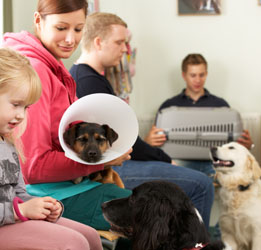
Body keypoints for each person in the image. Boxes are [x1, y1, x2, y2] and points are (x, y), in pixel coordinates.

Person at [70, 12, 214, 230]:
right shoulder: (89, 83)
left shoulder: (90, 78)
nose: (125, 49)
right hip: (114, 166)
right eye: (120, 42)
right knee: (202, 184)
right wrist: (165, 159)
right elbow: (127, 144)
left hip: (119, 160)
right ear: (98, 42)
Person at [3, 0, 132, 231]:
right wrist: (101, 161)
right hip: (40, 195)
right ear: (37, 21)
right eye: (61, 28)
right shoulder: (37, 71)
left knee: (153, 207)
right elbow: (32, 168)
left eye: (78, 29)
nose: (71, 39)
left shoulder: (54, 68)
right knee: (155, 215)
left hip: (62, 186)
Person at [0, 47, 102, 250]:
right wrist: (21, 210)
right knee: (74, 243)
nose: (21, 115)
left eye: (25, 108)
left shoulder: (7, 143)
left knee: (90, 237)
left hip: (11, 221)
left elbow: (18, 193)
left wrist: (43, 205)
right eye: (16, 104)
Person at [145, 53, 253, 179]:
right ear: (184, 75)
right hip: (180, 162)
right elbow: (155, 143)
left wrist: (249, 145)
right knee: (168, 172)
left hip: (214, 162)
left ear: (206, 74)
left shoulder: (221, 105)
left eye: (201, 75)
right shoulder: (168, 107)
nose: (198, 80)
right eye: (193, 75)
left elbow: (234, 147)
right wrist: (148, 141)